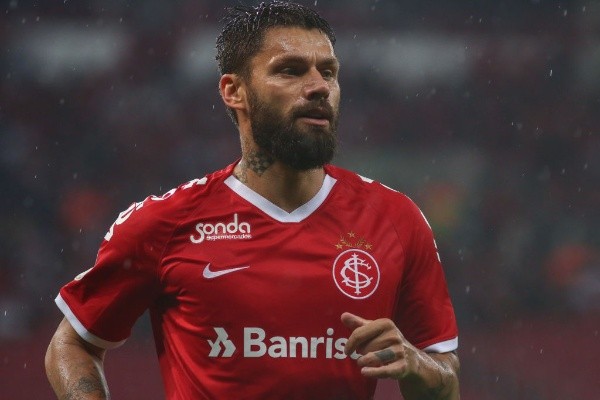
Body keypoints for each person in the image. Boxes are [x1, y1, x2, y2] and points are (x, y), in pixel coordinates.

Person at [44, 1, 460, 399]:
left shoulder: (396, 219)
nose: (319, 87)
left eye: (328, 72)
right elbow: (73, 344)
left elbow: (445, 381)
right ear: (234, 91)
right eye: (290, 70)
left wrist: (417, 364)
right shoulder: (165, 222)